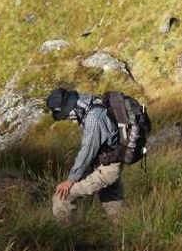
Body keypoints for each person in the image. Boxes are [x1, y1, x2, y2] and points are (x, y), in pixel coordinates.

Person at [46, 88, 125, 224]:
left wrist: (71, 180)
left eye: (65, 115)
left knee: (62, 197)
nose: (66, 118)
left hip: (106, 169)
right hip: (110, 161)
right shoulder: (89, 102)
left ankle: (67, 239)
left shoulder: (93, 119)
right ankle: (127, 236)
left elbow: (87, 151)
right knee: (112, 202)